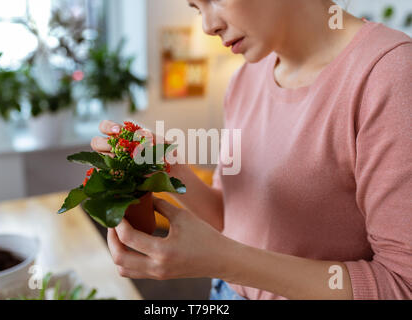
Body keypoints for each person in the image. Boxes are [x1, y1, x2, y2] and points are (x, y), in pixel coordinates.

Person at [90, 0, 412, 300]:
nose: (207, 26)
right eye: (195, 7)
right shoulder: (246, 77)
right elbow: (230, 217)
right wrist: (167, 165)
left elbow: (401, 285)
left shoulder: (390, 74)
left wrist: (225, 261)